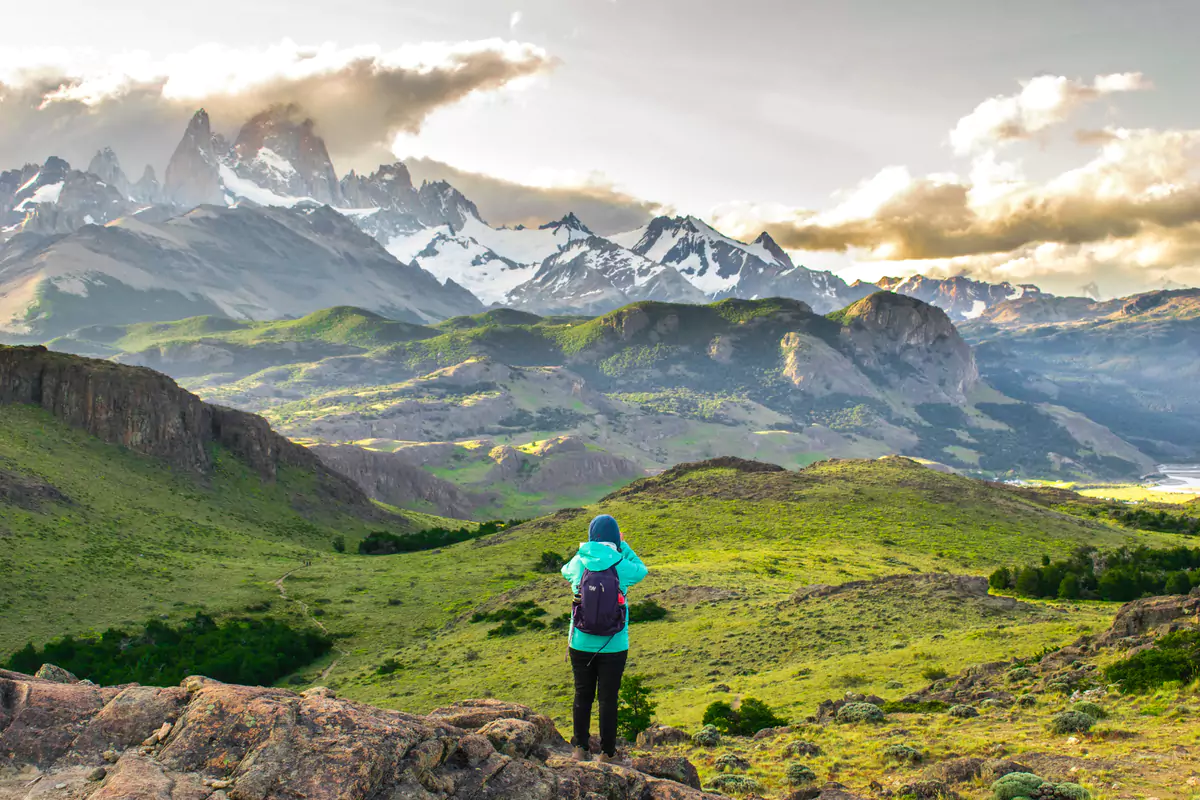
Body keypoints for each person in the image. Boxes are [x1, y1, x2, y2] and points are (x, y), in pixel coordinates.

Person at [560, 513, 648, 763]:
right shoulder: (621, 564)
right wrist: (624, 546)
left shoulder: (580, 562)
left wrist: (584, 550)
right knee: (608, 699)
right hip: (614, 643)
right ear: (615, 538)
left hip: (580, 641)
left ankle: (580, 750)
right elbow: (643, 570)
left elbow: (564, 570)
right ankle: (608, 754)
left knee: (582, 695)